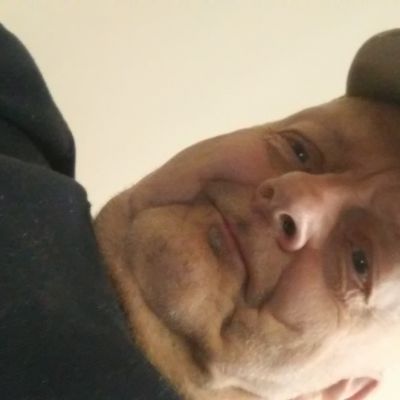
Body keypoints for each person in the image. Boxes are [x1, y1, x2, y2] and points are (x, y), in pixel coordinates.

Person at [0, 21, 399, 400]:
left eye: (360, 260)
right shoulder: (15, 106)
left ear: (340, 390)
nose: (295, 197)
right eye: (299, 150)